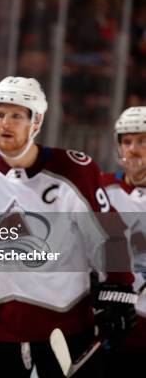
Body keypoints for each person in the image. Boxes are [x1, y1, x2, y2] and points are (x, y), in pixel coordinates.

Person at [0, 76, 137, 377]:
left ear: (36, 121)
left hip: (64, 324)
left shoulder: (74, 171)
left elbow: (109, 235)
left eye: (17, 115)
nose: (5, 123)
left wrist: (119, 290)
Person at [100, 106, 146, 376]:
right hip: (112, 321)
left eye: (142, 141)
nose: (133, 149)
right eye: (127, 142)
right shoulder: (102, 189)